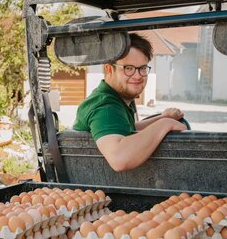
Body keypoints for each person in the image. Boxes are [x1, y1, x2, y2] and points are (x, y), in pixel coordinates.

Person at [73, 33, 187, 172]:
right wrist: (166, 124)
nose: (138, 75)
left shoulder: (119, 99)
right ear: (109, 69)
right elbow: (120, 159)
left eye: (142, 68)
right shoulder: (106, 107)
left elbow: (127, 127)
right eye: (128, 68)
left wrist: (163, 118)